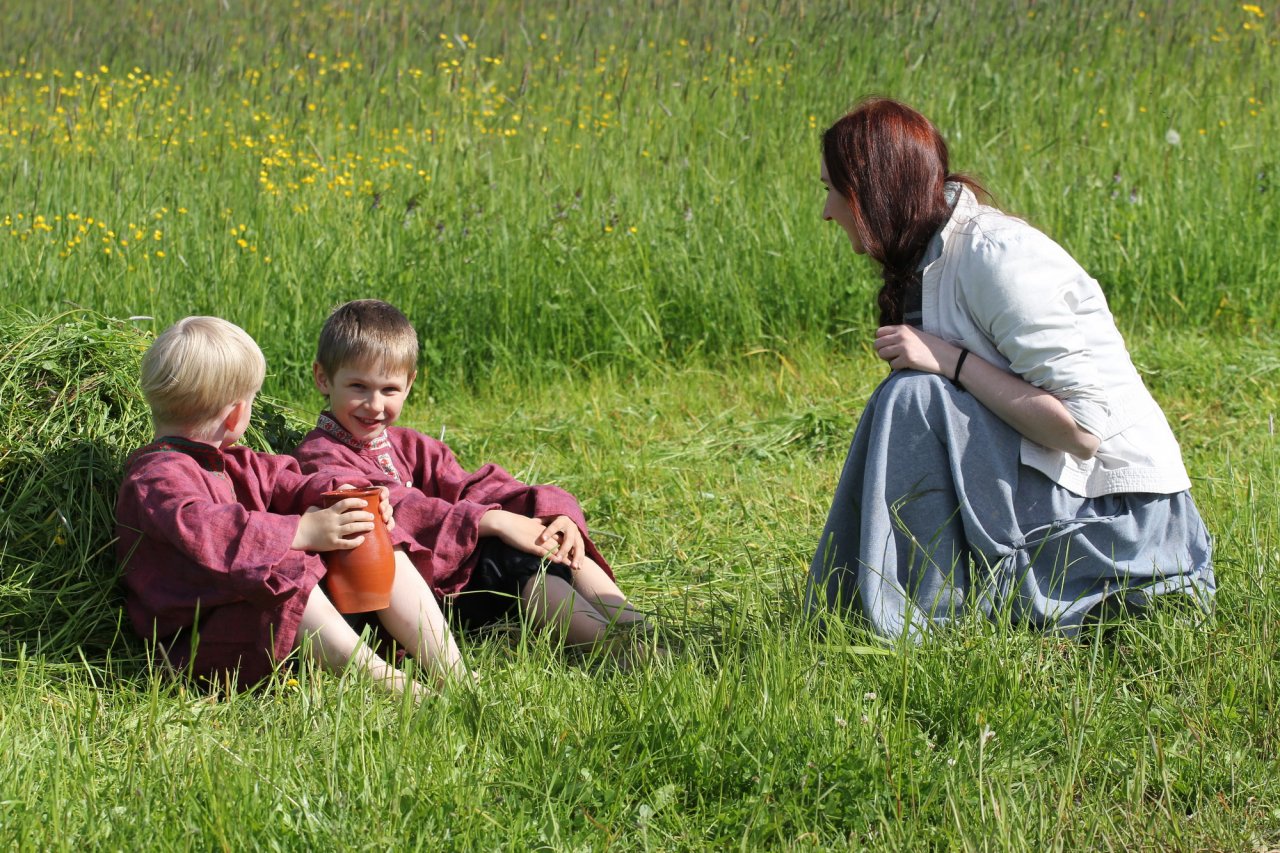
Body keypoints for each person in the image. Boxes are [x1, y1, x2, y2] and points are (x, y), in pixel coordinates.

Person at [806, 97, 1214, 640]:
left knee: (914, 399)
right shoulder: (935, 256)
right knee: (907, 396)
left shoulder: (996, 256)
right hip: (1073, 498)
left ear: (874, 194)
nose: (827, 211)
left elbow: (1083, 432)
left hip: (1128, 527)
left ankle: (918, 624)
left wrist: (951, 361)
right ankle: (855, 609)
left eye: (834, 191)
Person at [115, 316, 470, 695]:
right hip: (201, 637)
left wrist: (347, 493)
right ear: (236, 414)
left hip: (256, 620)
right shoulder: (156, 476)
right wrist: (299, 531)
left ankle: (452, 671)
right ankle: (389, 684)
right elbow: (206, 528)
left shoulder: (233, 462)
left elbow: (289, 482)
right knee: (284, 569)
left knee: (364, 525)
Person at [292, 299, 653, 661]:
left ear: (410, 384)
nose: (374, 405)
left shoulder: (410, 445)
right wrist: (488, 520)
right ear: (324, 378)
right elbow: (394, 507)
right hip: (413, 603)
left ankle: (640, 629)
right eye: (358, 386)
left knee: (547, 539)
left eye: (389, 390)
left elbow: (472, 485)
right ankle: (611, 645)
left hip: (455, 582)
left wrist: (552, 513)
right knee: (503, 559)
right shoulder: (319, 454)